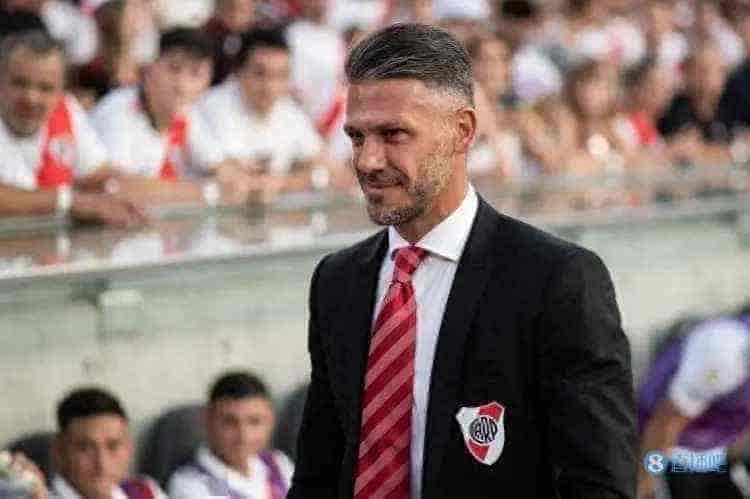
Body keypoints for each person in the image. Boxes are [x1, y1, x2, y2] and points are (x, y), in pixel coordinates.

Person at [288, 23, 635, 499]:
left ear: (463, 131)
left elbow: (599, 484)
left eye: (393, 134)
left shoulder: (556, 280)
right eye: (356, 136)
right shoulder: (337, 281)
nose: (367, 161)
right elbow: (319, 474)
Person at [91, 27, 254, 207]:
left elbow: (222, 168)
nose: (182, 85)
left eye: (195, 74)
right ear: (149, 69)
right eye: (174, 69)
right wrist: (206, 192)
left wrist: (241, 181)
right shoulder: (117, 112)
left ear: (207, 82)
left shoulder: (186, 114)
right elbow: (115, 187)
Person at [0, 29, 146, 226]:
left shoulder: (67, 110)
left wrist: (127, 200)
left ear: (61, 90)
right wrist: (69, 202)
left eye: (45, 88)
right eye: (19, 83)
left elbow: (101, 177)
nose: (31, 98)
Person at [199, 27, 334, 197]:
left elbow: (327, 167)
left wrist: (284, 183)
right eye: (260, 74)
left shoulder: (288, 110)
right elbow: (233, 177)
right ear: (237, 71)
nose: (270, 86)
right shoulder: (212, 106)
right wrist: (300, 180)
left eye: (280, 75)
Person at [636, 312, 750, 499]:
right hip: (662, 444)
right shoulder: (727, 350)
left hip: (711, 450)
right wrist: (643, 488)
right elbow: (665, 426)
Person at [168, 371, 294, 499]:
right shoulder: (190, 486)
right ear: (207, 420)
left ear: (271, 420)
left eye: (255, 422)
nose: (243, 436)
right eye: (229, 422)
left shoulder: (278, 463)